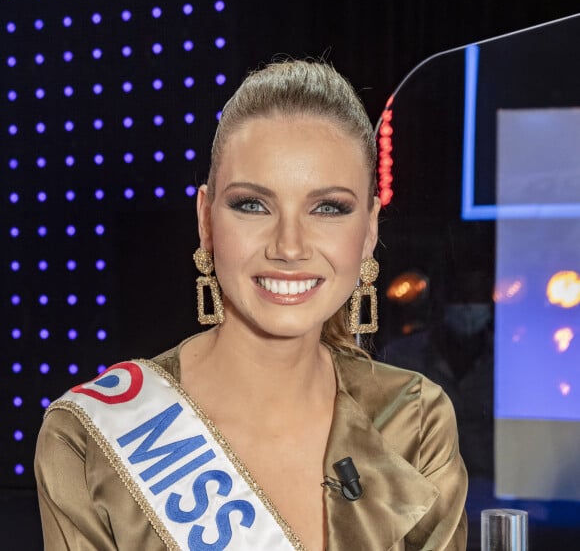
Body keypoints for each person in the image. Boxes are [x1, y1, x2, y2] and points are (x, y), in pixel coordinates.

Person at [35, 60, 468, 550]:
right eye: (252, 205)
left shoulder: (414, 420)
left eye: (328, 208)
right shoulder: (90, 439)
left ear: (369, 229)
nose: (289, 246)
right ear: (206, 220)